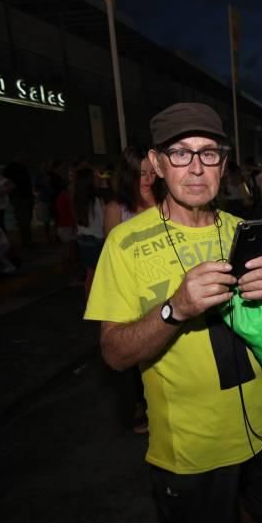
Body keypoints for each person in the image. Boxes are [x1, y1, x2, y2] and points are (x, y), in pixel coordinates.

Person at [85, 102, 262, 523]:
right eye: (180, 153)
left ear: (223, 164)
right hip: (191, 450)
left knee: (259, 520)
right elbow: (113, 353)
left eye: (208, 154)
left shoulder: (245, 229)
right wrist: (175, 309)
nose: (195, 168)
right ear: (155, 164)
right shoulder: (124, 244)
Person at [104, 145, 162, 435]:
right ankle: (142, 407)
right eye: (141, 174)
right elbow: (112, 257)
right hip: (133, 293)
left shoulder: (165, 202)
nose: (148, 179)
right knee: (136, 355)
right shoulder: (117, 209)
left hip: (162, 287)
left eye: (153, 172)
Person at [73, 167, 105, 294]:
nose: (99, 178)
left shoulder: (78, 200)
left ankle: (90, 305)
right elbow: (103, 224)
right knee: (97, 276)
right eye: (95, 177)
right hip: (96, 242)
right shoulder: (96, 201)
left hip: (83, 240)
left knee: (90, 275)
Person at [4, 157, 35, 248]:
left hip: (23, 197)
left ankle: (27, 241)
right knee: (24, 221)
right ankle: (26, 241)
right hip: (21, 198)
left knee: (25, 221)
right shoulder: (13, 168)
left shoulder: (17, 168)